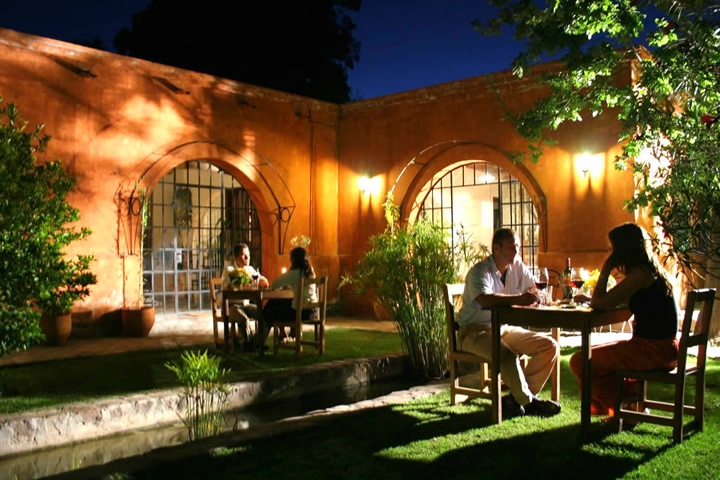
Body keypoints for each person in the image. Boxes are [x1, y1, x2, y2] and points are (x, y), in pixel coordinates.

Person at [569, 223, 678, 416]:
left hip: (652, 351)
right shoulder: (649, 272)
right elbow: (618, 301)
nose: (611, 254)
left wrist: (606, 269)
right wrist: (596, 299)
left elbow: (598, 304)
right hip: (666, 349)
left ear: (623, 249)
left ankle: (625, 409)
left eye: (612, 249)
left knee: (580, 360)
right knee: (594, 355)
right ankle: (630, 404)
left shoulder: (640, 275)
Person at [457, 228, 561, 417]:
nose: (516, 252)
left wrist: (534, 295)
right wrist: (519, 299)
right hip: (473, 331)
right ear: (496, 249)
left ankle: (516, 398)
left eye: (518, 247)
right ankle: (529, 403)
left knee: (549, 346)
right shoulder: (479, 272)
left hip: (502, 328)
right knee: (506, 355)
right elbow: (485, 299)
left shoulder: (517, 265)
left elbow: (534, 287)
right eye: (511, 247)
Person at [260, 247, 318, 346]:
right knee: (279, 303)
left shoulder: (294, 273)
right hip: (313, 311)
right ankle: (282, 334)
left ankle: (259, 341)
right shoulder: (310, 272)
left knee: (271, 306)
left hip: (300, 312)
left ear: (293, 260)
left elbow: (274, 284)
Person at [222, 243, 269, 350]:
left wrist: (254, 280)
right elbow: (229, 286)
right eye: (244, 255)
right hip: (232, 306)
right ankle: (249, 343)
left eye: (248, 255)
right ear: (236, 257)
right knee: (243, 319)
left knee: (266, 316)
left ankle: (255, 342)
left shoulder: (250, 269)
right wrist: (246, 282)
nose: (247, 258)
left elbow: (265, 282)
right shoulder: (230, 270)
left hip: (246, 305)